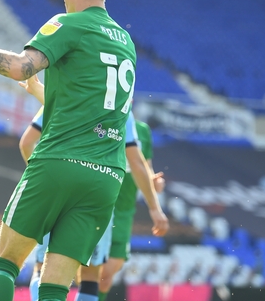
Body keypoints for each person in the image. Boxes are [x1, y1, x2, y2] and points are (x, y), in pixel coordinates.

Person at [0, 0, 139, 301]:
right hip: (106, 177)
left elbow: (21, 66)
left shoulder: (69, 24)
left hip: (60, 160)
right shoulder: (127, 42)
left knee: (5, 262)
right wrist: (42, 93)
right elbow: (88, 97)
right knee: (55, 286)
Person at [18, 97, 168, 301]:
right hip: (99, 194)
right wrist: (154, 207)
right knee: (90, 275)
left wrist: (44, 178)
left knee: (34, 265)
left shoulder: (63, 97)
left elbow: (27, 142)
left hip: (60, 188)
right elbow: (136, 161)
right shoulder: (120, 112)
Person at [98, 119, 165, 301]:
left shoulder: (142, 130)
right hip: (99, 203)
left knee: (107, 273)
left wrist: (154, 181)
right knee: (91, 270)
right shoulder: (104, 120)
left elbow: (145, 167)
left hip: (124, 210)